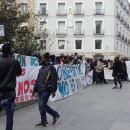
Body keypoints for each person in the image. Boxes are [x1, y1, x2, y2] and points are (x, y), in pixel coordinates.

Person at [32, 52, 60, 127]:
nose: (41, 59)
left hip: (46, 90)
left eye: (42, 57)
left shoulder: (51, 68)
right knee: (40, 107)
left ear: (46, 59)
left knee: (43, 105)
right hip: (39, 90)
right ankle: (43, 121)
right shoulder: (41, 68)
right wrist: (34, 89)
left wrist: (53, 91)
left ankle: (55, 114)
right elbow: (38, 80)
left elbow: (54, 79)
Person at [0, 43, 22, 130]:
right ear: (10, 51)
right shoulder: (15, 62)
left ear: (1, 51)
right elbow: (19, 73)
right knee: (9, 116)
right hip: (10, 91)